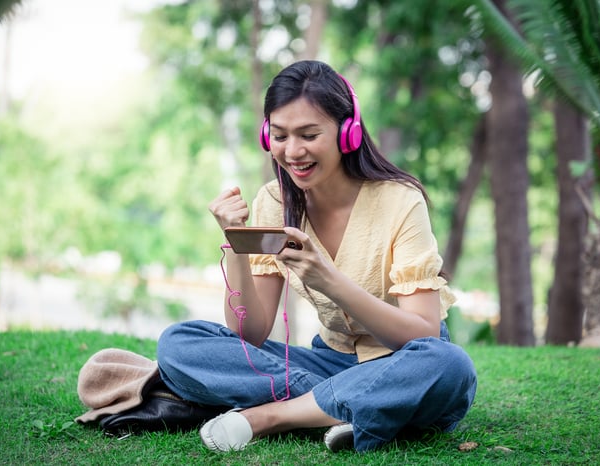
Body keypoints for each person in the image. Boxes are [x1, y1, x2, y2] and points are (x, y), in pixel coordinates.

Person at [156, 60, 477, 453]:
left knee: (449, 366)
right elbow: (250, 334)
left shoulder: (400, 201)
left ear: (348, 133)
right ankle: (346, 407)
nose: (292, 152)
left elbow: (423, 333)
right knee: (179, 342)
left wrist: (329, 280)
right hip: (327, 365)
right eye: (280, 135)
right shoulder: (273, 202)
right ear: (265, 135)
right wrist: (237, 243)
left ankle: (270, 416)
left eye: (309, 135)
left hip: (404, 362)